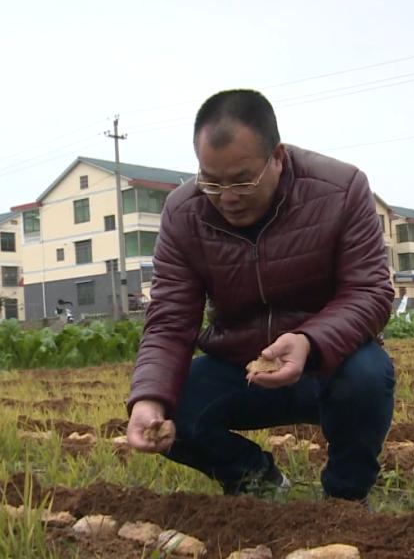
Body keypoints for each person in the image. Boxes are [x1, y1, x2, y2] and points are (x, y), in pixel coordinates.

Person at [125, 89, 396, 502]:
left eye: (242, 180)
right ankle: (253, 477)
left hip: (326, 364)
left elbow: (371, 290)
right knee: (168, 402)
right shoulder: (184, 214)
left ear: (278, 157)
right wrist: (148, 398)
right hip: (241, 368)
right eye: (211, 181)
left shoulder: (340, 189)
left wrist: (309, 341)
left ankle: (346, 497)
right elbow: (169, 320)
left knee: (367, 376)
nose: (227, 197)